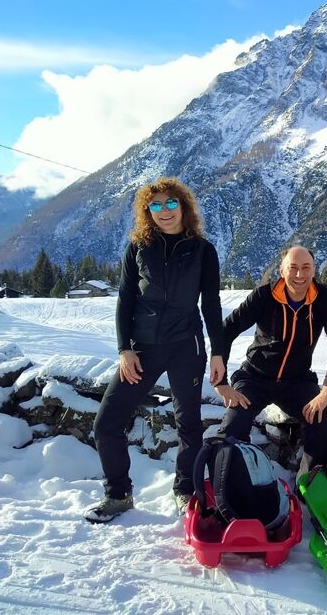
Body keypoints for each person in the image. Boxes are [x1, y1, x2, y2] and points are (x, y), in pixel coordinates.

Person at [86, 177, 225, 523]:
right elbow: (125, 299)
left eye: (171, 203)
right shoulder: (138, 247)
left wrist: (219, 351)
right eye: (156, 205)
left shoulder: (203, 250)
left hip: (186, 346)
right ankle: (118, 494)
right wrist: (124, 349)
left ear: (184, 206)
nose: (165, 211)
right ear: (147, 211)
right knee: (107, 423)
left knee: (189, 424)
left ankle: (185, 490)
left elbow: (211, 304)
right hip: (142, 349)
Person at [213, 246, 327, 479]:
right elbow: (226, 330)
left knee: (322, 421)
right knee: (234, 423)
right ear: (281, 270)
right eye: (293, 268)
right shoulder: (264, 295)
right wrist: (221, 382)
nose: (299, 275)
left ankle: (310, 485)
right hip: (254, 377)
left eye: (306, 268)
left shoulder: (323, 297)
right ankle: (231, 483)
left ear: (314, 269)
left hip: (297, 382)